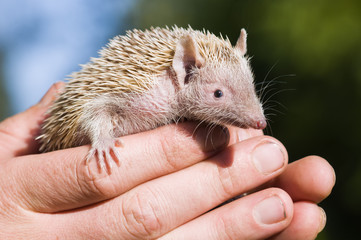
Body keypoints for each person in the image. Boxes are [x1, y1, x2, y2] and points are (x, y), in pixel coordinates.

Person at [0, 82, 335, 239]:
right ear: (183, 69)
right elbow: (94, 109)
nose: (257, 118)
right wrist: (101, 138)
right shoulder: (144, 92)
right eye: (219, 94)